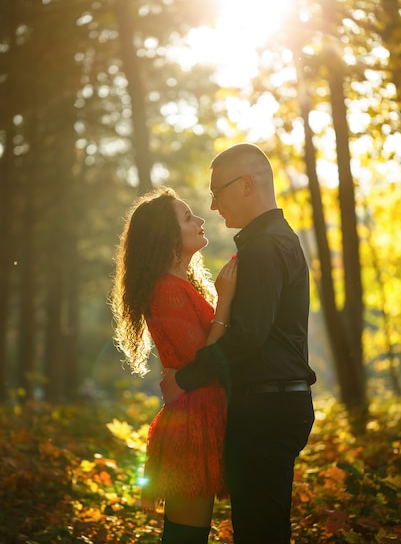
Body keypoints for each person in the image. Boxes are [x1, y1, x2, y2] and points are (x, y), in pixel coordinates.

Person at [161, 143, 316, 544]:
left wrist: (187, 379)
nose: (212, 206)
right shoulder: (268, 242)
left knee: (260, 532)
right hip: (270, 403)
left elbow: (247, 337)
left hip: (268, 407)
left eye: (217, 192)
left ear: (246, 184)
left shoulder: (266, 247)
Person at [111, 187, 237, 544]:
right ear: (167, 236)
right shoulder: (166, 290)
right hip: (190, 424)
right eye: (187, 217)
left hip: (203, 413)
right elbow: (206, 361)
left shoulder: (181, 284)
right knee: (186, 537)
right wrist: (226, 300)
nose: (199, 220)